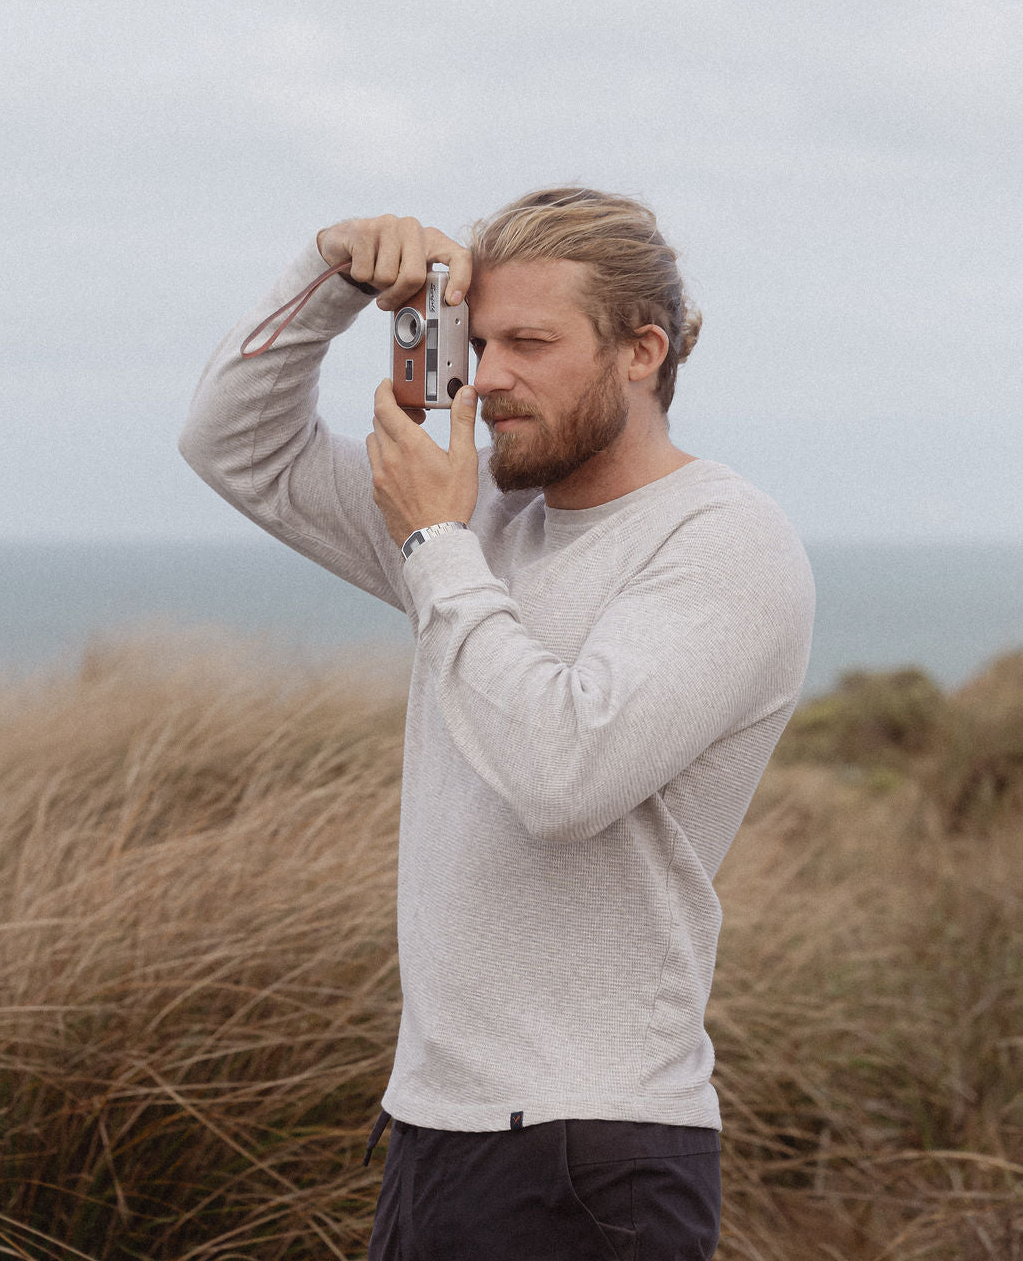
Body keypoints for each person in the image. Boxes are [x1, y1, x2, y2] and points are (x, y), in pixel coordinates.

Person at [180, 187, 815, 1259]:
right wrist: (326, 277)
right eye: (476, 340)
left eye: (530, 341)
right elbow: (237, 447)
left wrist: (432, 538)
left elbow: (565, 773)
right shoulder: (478, 521)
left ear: (640, 351)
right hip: (440, 1124)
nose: (490, 376)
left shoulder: (722, 540)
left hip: (593, 1147)